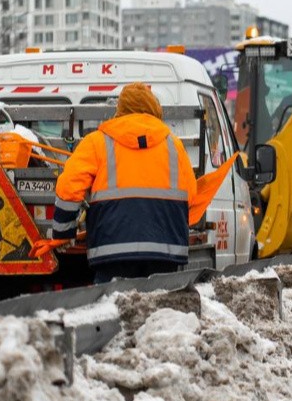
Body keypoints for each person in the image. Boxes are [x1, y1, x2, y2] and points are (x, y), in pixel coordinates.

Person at [49, 82, 198, 284]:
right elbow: (190, 194)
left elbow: (69, 187)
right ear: (154, 108)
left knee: (112, 308)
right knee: (162, 311)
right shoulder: (174, 144)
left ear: (120, 109)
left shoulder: (97, 142)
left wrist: (63, 233)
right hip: (165, 250)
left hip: (112, 249)